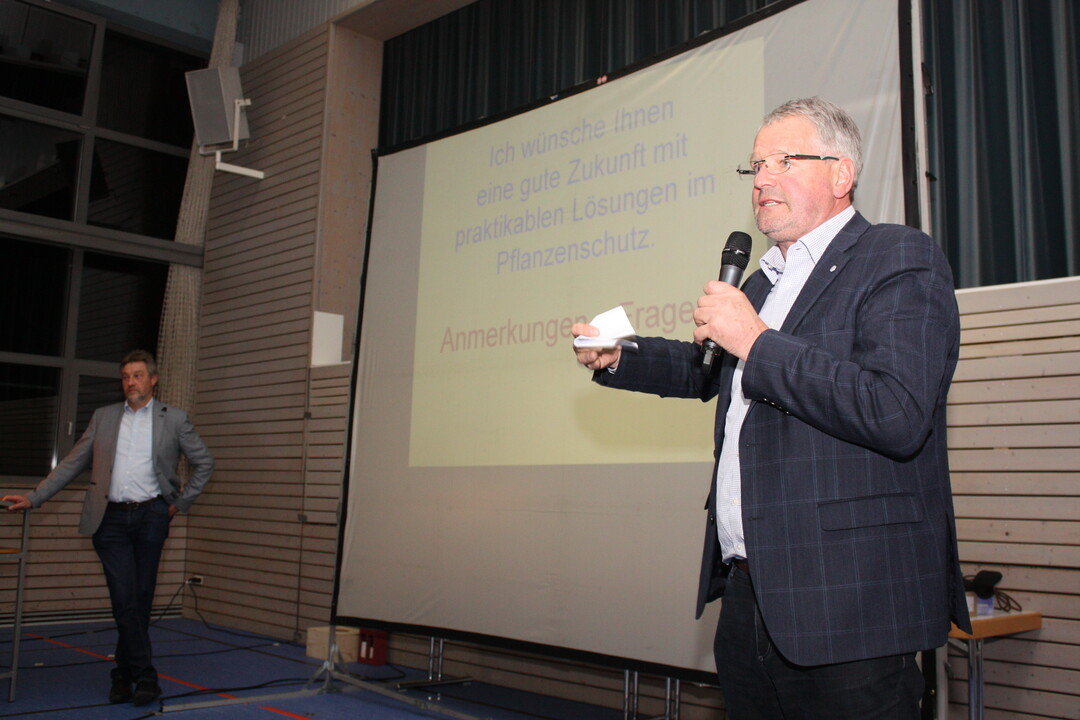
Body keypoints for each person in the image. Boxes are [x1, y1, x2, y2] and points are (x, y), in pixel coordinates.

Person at [572, 97, 971, 719]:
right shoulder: (762, 282)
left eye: (785, 160)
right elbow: (712, 371)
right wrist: (620, 355)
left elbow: (894, 408)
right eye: (756, 164)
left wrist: (754, 340)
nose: (762, 179)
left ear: (842, 174)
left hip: (852, 602)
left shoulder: (897, 258)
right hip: (752, 595)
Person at [3, 350, 214, 707]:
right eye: (125, 377)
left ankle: (122, 675)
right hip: (110, 521)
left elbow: (204, 463)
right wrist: (34, 496)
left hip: (152, 518)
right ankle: (146, 676)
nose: (130, 382)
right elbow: (71, 463)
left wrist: (179, 503)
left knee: (140, 601)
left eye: (137, 375)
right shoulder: (104, 417)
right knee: (124, 600)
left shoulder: (174, 419)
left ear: (152, 379)